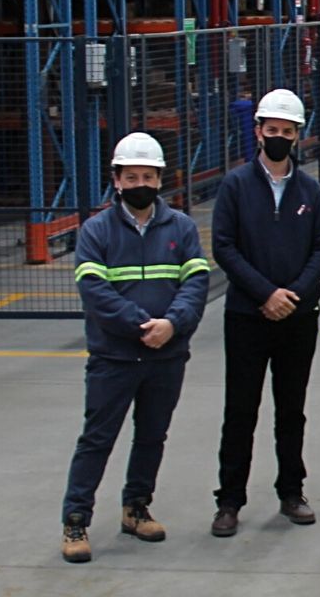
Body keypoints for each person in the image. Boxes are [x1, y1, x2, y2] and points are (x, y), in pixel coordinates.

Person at [61, 133, 210, 564]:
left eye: (148, 175)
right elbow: (94, 290)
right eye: (132, 176)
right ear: (117, 180)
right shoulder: (96, 231)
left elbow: (196, 283)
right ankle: (75, 520)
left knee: (152, 436)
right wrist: (141, 325)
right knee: (97, 438)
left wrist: (173, 324)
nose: (140, 182)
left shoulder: (180, 227)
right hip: (115, 357)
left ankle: (136, 507)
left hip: (166, 355)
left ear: (160, 179)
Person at [209, 89, 320, 538]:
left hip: (297, 318)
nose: (279, 137)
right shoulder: (236, 186)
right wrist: (265, 294)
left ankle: (291, 492)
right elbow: (224, 245)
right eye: (272, 130)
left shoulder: (309, 189)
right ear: (258, 131)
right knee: (240, 410)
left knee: (291, 409)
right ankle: (229, 501)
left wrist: (294, 295)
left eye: (288, 131)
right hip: (247, 316)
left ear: (298, 135)